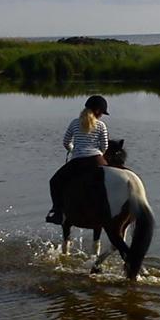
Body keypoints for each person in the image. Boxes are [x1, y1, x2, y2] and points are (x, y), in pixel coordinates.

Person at [46, 95, 109, 224]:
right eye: (102, 112)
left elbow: (66, 142)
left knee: (54, 181)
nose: (102, 115)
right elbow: (105, 146)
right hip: (97, 160)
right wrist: (98, 155)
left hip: (78, 161)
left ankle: (57, 211)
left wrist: (73, 149)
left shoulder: (75, 123)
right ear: (97, 111)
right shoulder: (101, 125)